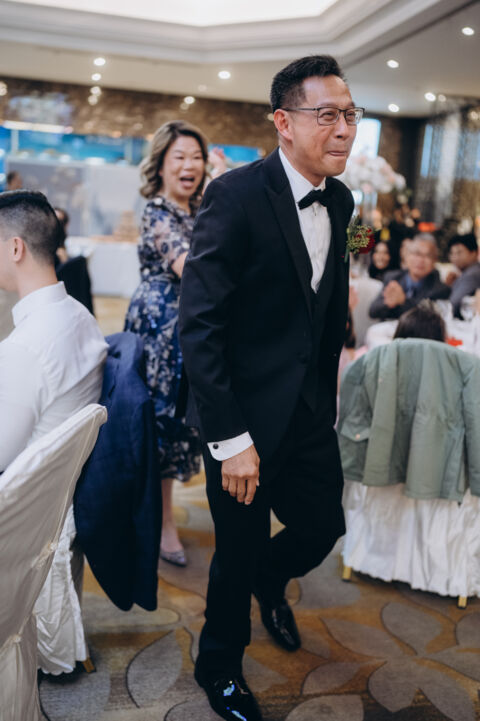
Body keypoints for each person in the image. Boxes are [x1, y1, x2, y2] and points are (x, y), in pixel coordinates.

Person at [179, 54, 360, 721]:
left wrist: (325, 398)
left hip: (308, 410)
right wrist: (229, 439)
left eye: (350, 114)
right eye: (328, 115)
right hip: (243, 414)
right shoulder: (235, 195)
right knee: (236, 548)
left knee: (323, 525)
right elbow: (198, 325)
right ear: (283, 122)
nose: (344, 129)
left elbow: (327, 299)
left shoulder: (343, 201)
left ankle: (270, 577)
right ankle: (219, 664)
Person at [124, 120, 209, 568]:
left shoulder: (202, 209)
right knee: (160, 422)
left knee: (180, 422)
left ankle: (156, 514)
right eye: (179, 157)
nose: (189, 165)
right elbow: (187, 266)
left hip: (191, 324)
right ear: (160, 165)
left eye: (196, 157)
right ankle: (161, 523)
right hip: (159, 327)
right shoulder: (157, 210)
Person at [0, 189, 107, 472]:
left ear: (15, 248)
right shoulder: (81, 316)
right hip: (59, 480)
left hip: (23, 491)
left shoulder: (24, 348)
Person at [369, 233, 450, 321]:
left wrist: (403, 301)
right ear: (407, 256)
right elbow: (372, 311)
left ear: (434, 261)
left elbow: (427, 316)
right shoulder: (393, 277)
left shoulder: (439, 288)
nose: (420, 260)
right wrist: (387, 303)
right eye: (417, 254)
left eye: (427, 255)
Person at [446, 233, 480, 317]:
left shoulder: (472, 275)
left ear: (474, 253)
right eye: (452, 253)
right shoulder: (467, 273)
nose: (455, 258)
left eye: (459, 253)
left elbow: (453, 304)